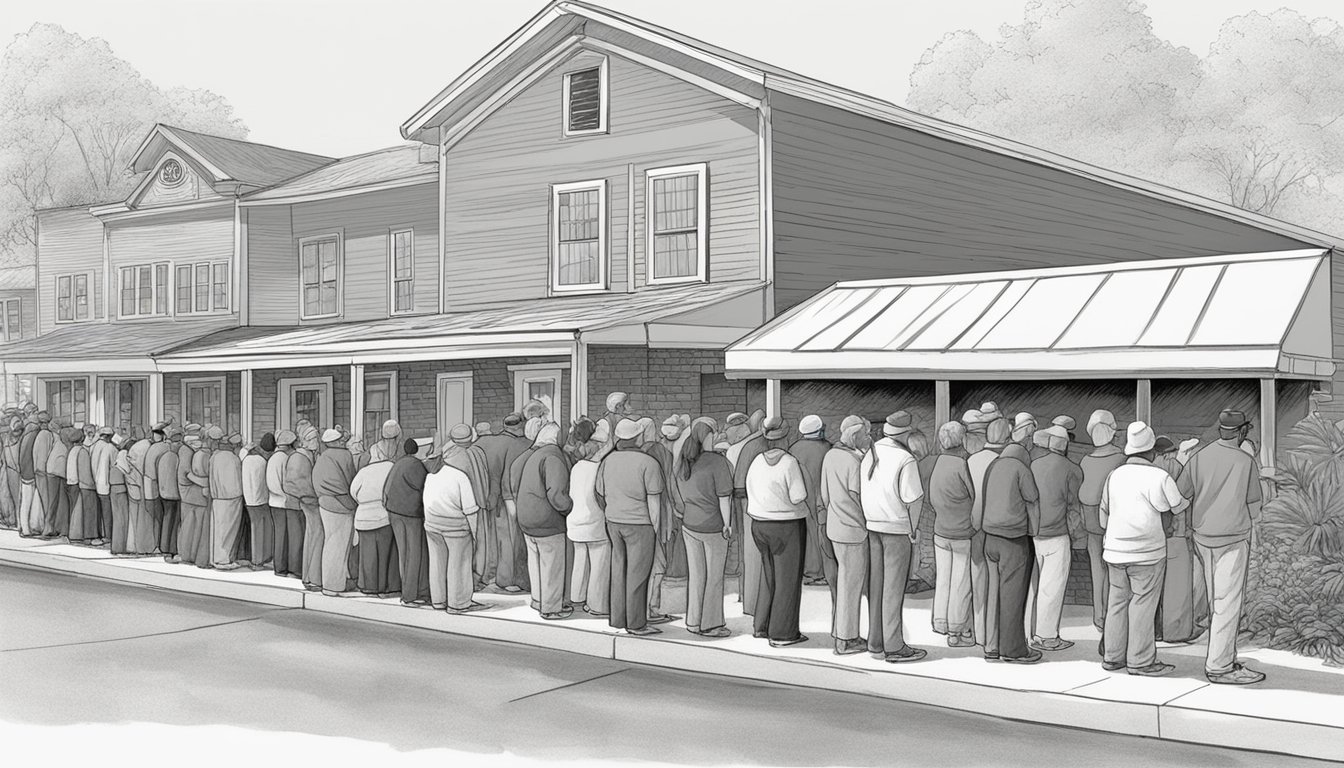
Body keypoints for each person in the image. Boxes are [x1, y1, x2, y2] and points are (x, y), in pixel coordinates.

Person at [1176, 409, 1266, 685]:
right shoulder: (1245, 461)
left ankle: (1220, 656)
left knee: (1215, 601)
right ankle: (1220, 665)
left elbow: (1181, 494)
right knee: (1227, 603)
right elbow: (1255, 505)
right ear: (1242, 431)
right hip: (1233, 538)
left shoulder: (1198, 457)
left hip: (1202, 537)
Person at [1099, 422, 1186, 677]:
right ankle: (1140, 660)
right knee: (1142, 605)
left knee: (1116, 603)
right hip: (1147, 552)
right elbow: (1177, 506)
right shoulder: (1159, 476)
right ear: (1151, 452)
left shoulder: (1114, 475)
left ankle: (1113, 656)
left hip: (1114, 551)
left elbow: (1103, 513)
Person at [858, 411, 927, 663]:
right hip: (897, 528)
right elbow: (914, 498)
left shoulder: (870, 453)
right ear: (905, 434)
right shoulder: (905, 458)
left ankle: (876, 642)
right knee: (893, 589)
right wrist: (913, 528)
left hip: (872, 527)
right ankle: (894, 646)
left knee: (876, 586)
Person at [979, 418, 1042, 664]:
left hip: (989, 538)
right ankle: (1013, 649)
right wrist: (1034, 530)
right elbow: (1033, 501)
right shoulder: (1020, 468)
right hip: (1013, 539)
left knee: (992, 593)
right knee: (1013, 596)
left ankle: (991, 647)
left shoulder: (993, 466)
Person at [596, 418, 665, 636]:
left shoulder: (607, 461)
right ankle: (636, 624)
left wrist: (611, 510)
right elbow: (654, 501)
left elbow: (599, 492)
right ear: (636, 438)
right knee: (638, 574)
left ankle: (617, 619)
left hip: (614, 521)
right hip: (640, 524)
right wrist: (655, 528)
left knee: (618, 570)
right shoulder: (648, 463)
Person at [677, 421, 734, 638]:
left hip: (689, 525)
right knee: (714, 576)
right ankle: (711, 624)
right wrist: (727, 524)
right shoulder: (716, 462)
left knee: (697, 575)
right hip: (713, 526)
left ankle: (693, 621)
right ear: (707, 437)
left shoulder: (684, 462)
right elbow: (724, 499)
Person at [1029, 425, 1081, 652]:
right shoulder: (1073, 469)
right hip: (1057, 534)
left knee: (1033, 588)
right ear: (1066, 446)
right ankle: (1047, 636)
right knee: (1052, 587)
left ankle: (1030, 633)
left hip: (1031, 533)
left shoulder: (1033, 466)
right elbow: (1074, 504)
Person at [423, 433, 488, 614]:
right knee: (458, 565)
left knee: (436, 564)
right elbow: (470, 509)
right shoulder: (460, 477)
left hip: (432, 526)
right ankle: (458, 603)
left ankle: (438, 600)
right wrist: (475, 533)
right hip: (456, 528)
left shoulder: (431, 476)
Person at [821, 418, 870, 654]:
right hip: (853, 530)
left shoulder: (831, 455)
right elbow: (859, 496)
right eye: (865, 435)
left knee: (843, 582)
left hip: (834, 526)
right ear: (855, 437)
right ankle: (846, 639)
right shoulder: (854, 461)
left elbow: (824, 494)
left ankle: (839, 631)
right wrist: (867, 521)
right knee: (851, 586)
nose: (868, 439)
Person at [515, 422, 573, 619]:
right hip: (547, 521)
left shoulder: (534, 455)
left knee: (536, 561)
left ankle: (538, 600)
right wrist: (569, 508)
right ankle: (551, 608)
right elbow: (556, 494)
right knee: (552, 565)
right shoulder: (553, 457)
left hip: (527, 518)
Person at [929, 421, 976, 648]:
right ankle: (957, 630)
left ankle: (941, 621)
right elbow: (973, 494)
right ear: (961, 439)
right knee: (960, 582)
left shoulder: (939, 463)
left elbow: (932, 497)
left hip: (940, 530)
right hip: (961, 532)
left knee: (944, 580)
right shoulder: (961, 464)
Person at [1081, 410, 1126, 633]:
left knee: (1096, 570)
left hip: (1090, 523)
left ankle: (1099, 616)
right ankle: (1111, 616)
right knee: (1114, 572)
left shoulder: (1085, 460)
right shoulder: (1120, 459)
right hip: (1113, 522)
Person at [1152, 435, 1200, 643]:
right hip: (1177, 533)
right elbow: (1183, 499)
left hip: (1152, 535)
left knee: (1153, 587)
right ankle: (1176, 631)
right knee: (1177, 586)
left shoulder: (1149, 468)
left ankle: (1154, 631)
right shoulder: (1175, 467)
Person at [967, 417, 1010, 650]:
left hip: (975, 527)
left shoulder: (972, 460)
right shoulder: (1004, 462)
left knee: (978, 580)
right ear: (1006, 438)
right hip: (996, 528)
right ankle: (994, 635)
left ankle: (979, 632)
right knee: (999, 585)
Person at [481, 413, 531, 593]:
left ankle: (493, 576)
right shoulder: (521, 444)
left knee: (496, 540)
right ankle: (509, 579)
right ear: (520, 426)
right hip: (510, 497)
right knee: (511, 540)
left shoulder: (489, 442)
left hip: (489, 498)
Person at [640, 416, 681, 623]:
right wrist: (678, 508)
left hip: (638, 515)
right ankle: (651, 609)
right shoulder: (662, 452)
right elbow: (671, 483)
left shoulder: (634, 454)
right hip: (660, 512)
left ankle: (648, 608)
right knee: (658, 563)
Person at [440, 424, 491, 588]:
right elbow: (484, 478)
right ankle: (474, 579)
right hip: (476, 504)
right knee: (478, 544)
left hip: (452, 507)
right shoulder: (476, 452)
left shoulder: (447, 454)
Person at [731, 411, 770, 617]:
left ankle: (748, 600)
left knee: (748, 552)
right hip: (752, 504)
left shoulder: (747, 444)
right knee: (753, 554)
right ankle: (753, 604)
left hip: (745, 501)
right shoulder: (759, 445)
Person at [385, 437, 431, 605]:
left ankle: (407, 592)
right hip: (412, 514)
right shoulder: (417, 466)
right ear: (418, 450)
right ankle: (412, 595)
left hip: (394, 512)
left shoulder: (398, 463)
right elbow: (425, 488)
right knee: (415, 554)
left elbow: (387, 488)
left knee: (404, 553)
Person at [351, 441, 401, 598]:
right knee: (388, 553)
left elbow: (353, 491)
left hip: (364, 518)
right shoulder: (391, 467)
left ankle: (369, 586)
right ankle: (387, 587)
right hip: (384, 516)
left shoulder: (364, 471)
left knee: (368, 555)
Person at [568, 434, 610, 617]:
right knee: (599, 566)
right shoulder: (599, 468)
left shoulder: (577, 467)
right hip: (595, 522)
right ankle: (597, 605)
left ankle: (577, 598)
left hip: (575, 521)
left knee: (580, 563)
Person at [789, 414, 832, 588]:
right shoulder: (828, 448)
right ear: (820, 430)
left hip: (800, 499)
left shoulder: (793, 449)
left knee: (804, 534)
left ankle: (806, 572)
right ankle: (820, 572)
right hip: (823, 498)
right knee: (821, 535)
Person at [314, 428, 358, 595]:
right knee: (339, 545)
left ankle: (332, 581)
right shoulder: (344, 455)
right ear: (336, 442)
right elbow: (351, 480)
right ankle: (333, 585)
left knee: (330, 542)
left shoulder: (322, 457)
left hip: (324, 503)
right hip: (341, 504)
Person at [284, 425, 322, 590]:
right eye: (312, 438)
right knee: (315, 535)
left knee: (312, 536)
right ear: (304, 440)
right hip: (308, 502)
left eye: (316, 438)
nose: (316, 442)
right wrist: (310, 497)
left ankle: (309, 575)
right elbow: (293, 483)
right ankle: (311, 576)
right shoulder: (299, 457)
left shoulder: (309, 455)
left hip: (310, 502)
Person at [209, 430, 246, 570]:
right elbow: (237, 480)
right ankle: (224, 560)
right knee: (228, 531)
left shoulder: (215, 456)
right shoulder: (234, 459)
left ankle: (216, 558)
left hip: (217, 498)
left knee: (218, 530)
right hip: (231, 498)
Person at [242, 435, 274, 571]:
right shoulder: (262, 462)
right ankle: (260, 560)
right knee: (263, 530)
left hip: (248, 499)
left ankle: (256, 559)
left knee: (255, 529)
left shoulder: (246, 459)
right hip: (261, 500)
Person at [187, 429, 215, 568]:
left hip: (201, 493)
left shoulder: (198, 454)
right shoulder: (205, 455)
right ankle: (202, 560)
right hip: (206, 494)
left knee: (198, 528)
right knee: (205, 528)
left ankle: (196, 557)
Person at [144, 422, 173, 553]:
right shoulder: (164, 448)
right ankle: (159, 546)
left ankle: (155, 545)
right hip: (157, 487)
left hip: (150, 486)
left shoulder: (152, 448)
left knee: (154, 518)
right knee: (160, 518)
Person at [156, 426, 183, 561]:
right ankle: (171, 550)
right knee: (173, 523)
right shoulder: (175, 458)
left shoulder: (164, 457)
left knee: (167, 521)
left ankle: (164, 548)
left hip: (164, 493)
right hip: (174, 494)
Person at [66, 427, 97, 544]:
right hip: (79, 484)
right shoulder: (82, 451)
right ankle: (84, 537)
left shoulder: (72, 451)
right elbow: (85, 473)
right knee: (83, 510)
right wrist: (91, 485)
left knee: (74, 510)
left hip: (71, 483)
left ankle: (74, 535)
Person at [92, 427, 117, 547]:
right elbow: (114, 465)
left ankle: (102, 534)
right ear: (108, 437)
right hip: (106, 483)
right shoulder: (109, 448)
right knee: (107, 512)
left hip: (96, 482)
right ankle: (108, 535)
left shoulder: (94, 446)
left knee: (100, 511)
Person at [17, 414, 41, 538]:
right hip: (31, 473)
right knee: (29, 502)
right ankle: (27, 529)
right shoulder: (34, 435)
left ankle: (25, 527)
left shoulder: (25, 436)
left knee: (26, 502)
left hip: (25, 473)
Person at [33, 412, 56, 537]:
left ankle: (45, 527)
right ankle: (48, 528)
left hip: (39, 471)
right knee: (47, 502)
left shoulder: (40, 435)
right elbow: (43, 455)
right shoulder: (46, 435)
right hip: (43, 472)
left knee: (44, 501)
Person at [47, 424, 71, 538]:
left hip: (53, 474)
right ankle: (56, 528)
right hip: (57, 475)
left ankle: (54, 528)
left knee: (54, 502)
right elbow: (62, 465)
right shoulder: (63, 447)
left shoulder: (58, 444)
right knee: (58, 503)